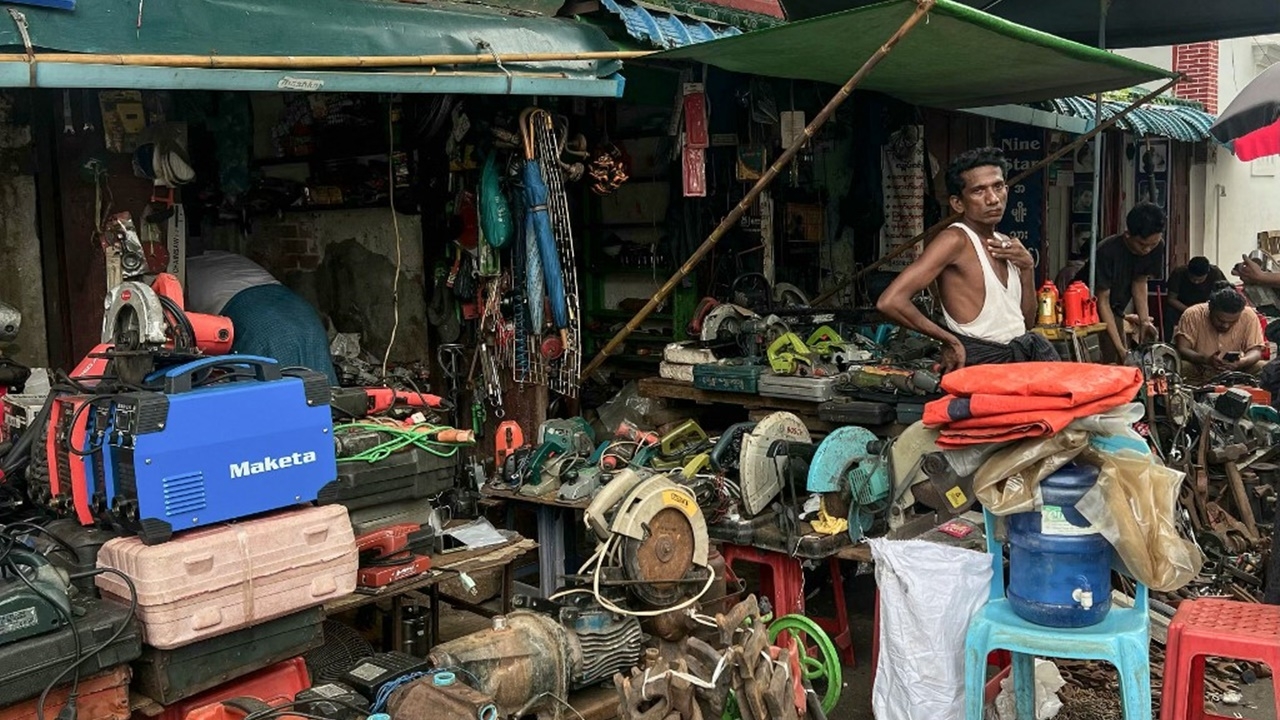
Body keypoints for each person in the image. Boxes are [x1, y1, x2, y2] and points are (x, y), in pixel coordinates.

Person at [877, 147, 1055, 371]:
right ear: (957, 203)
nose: (992, 199)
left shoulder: (1006, 244)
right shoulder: (955, 240)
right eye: (979, 191)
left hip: (1014, 368)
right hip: (977, 366)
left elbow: (1024, 324)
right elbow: (890, 301)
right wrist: (948, 340)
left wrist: (1028, 268)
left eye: (998, 187)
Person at [184, 250, 338, 385]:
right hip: (297, 307)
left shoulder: (181, 272)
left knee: (271, 383)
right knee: (320, 378)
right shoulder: (224, 257)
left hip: (251, 313)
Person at [1074, 202, 1166, 362]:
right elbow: (1102, 301)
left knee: (1121, 358)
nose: (1147, 250)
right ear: (1127, 234)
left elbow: (1140, 281)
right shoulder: (1106, 251)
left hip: (1115, 307)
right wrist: (1121, 349)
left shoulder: (1157, 247)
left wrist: (1144, 321)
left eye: (1153, 244)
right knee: (1110, 356)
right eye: (1142, 244)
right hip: (1086, 307)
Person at [1173, 284, 1264, 384]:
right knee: (1181, 367)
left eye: (1232, 322)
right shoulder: (1192, 314)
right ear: (1210, 310)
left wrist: (1241, 362)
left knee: (1262, 367)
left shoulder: (1249, 315)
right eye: (1220, 320)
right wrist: (1205, 359)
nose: (1225, 325)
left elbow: (1255, 351)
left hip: (1236, 371)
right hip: (1200, 368)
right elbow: (1183, 348)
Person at [1165, 256, 1226, 339]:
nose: (1196, 282)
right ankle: (1167, 341)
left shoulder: (1215, 273)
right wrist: (1190, 310)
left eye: (1200, 280)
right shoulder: (1179, 273)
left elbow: (1222, 296)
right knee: (1169, 313)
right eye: (1193, 279)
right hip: (1182, 307)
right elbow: (1172, 299)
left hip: (1206, 308)